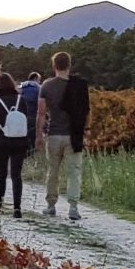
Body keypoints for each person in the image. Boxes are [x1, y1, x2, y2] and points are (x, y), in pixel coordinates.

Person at [38, 51, 89, 220]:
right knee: (74, 171)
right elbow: (87, 110)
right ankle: (73, 207)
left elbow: (42, 112)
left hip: (54, 134)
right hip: (73, 135)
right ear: (69, 65)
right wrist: (86, 130)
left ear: (54, 66)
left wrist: (39, 134)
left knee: (53, 171)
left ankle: (51, 205)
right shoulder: (80, 85)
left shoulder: (47, 85)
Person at [0, 70, 31, 216]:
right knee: (16, 175)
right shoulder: (20, 100)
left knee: (2, 174)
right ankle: (17, 208)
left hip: (2, 141)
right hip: (20, 140)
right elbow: (27, 119)